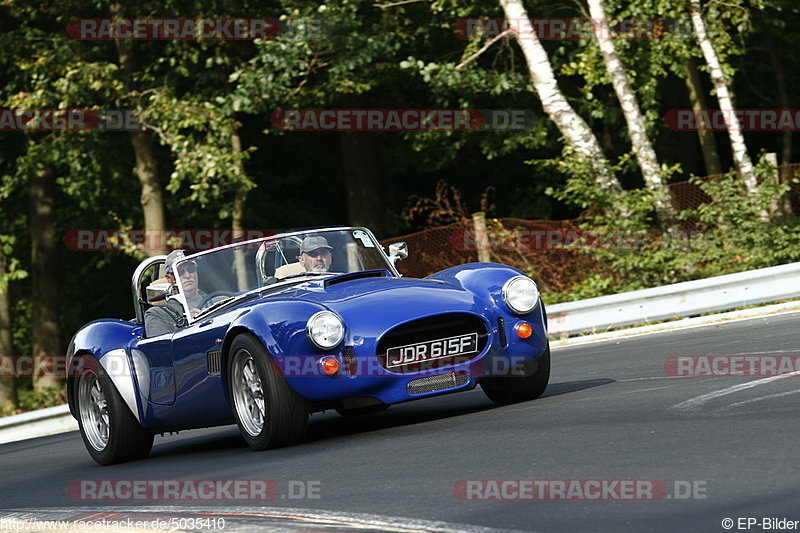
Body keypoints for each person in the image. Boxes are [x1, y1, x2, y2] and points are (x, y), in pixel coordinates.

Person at [144, 249, 207, 337]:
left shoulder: (218, 300)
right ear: (169, 278)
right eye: (180, 272)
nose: (187, 275)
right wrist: (188, 327)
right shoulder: (157, 314)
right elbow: (159, 348)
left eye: (191, 269)